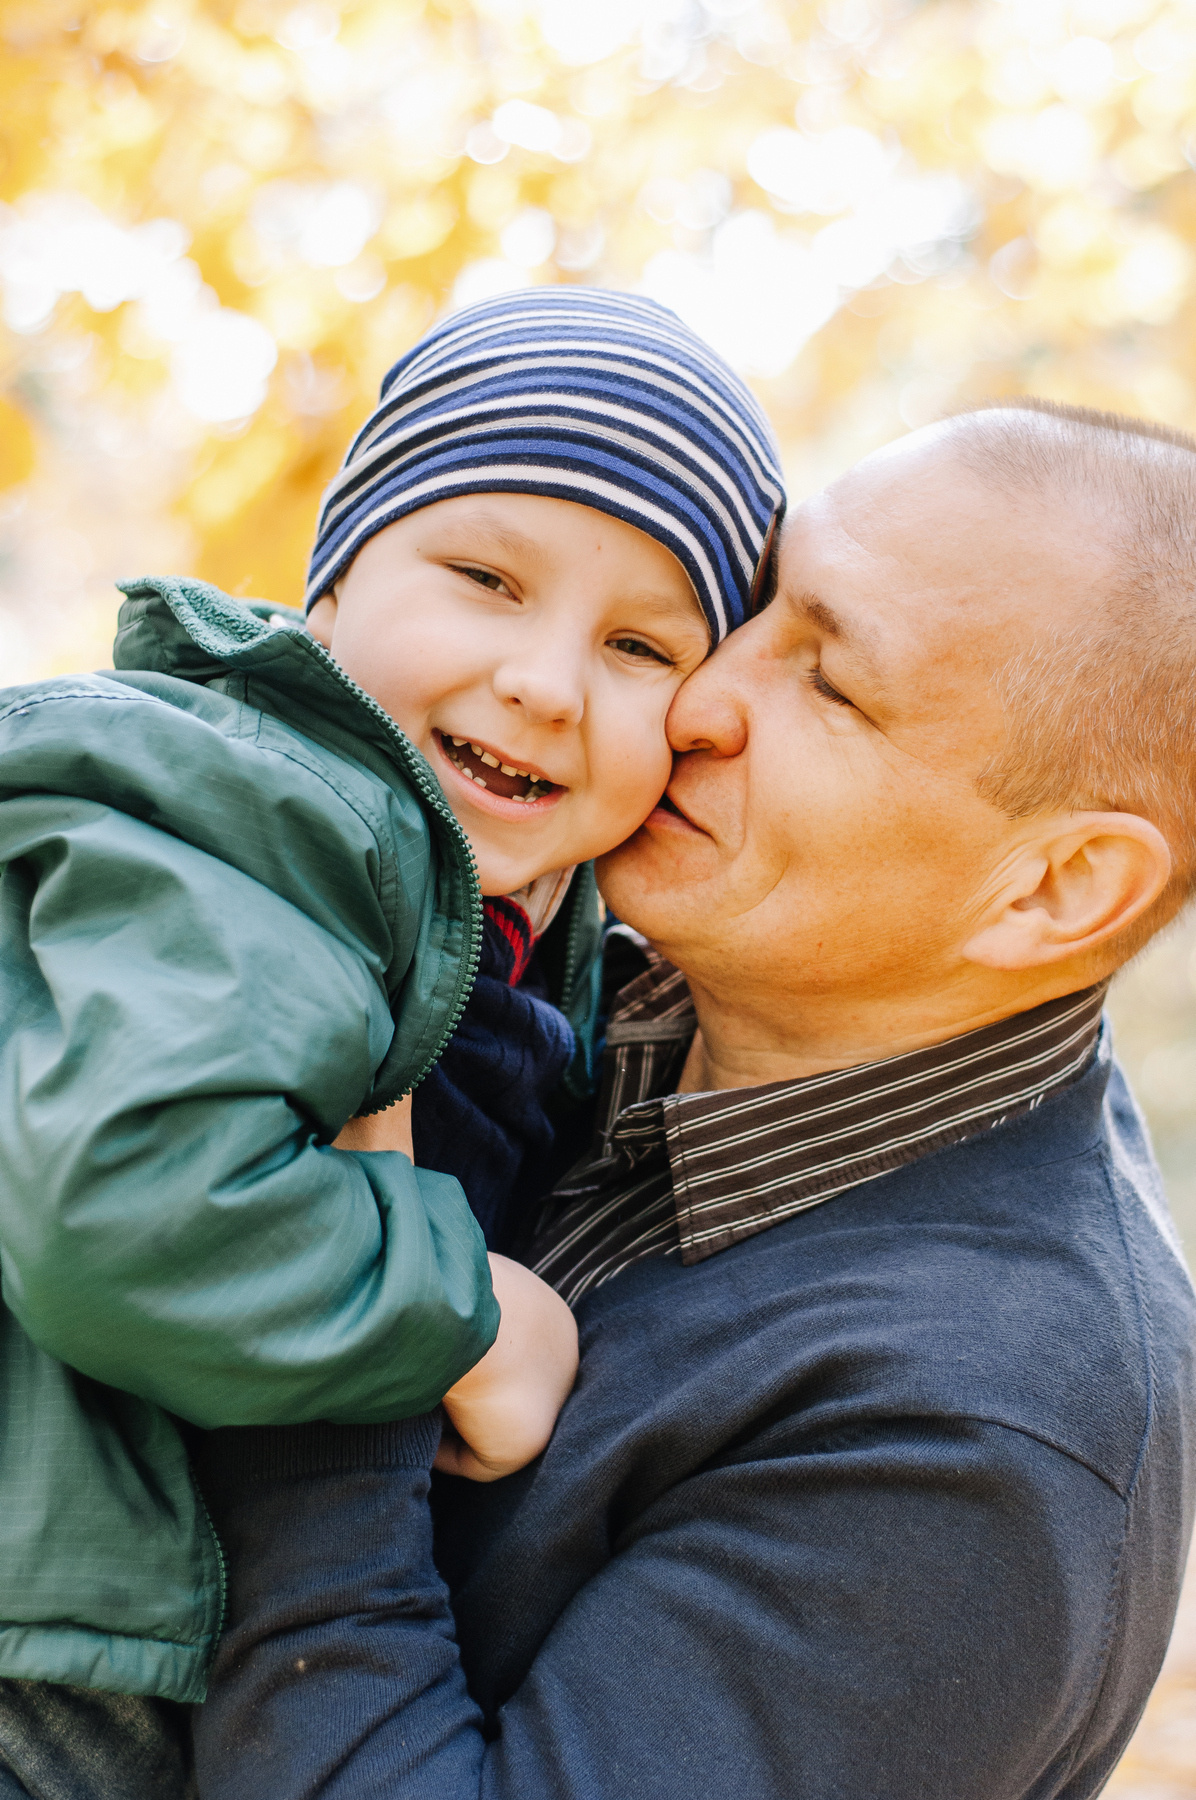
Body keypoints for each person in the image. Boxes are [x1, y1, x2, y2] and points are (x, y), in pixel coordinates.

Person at [193, 400, 1196, 1800]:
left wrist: (351, 1307)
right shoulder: (581, 975)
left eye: (831, 686)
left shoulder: (981, 1438)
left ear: (1054, 889)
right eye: (765, 604)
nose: (700, 697)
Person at [0, 287, 783, 1795]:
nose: (545, 683)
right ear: (334, 584)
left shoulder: (518, 916)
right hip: (49, 1653)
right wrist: (467, 1317)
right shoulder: (257, 819)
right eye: (485, 578)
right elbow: (128, 1204)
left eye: (638, 644)